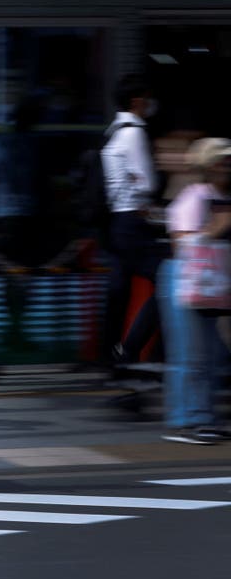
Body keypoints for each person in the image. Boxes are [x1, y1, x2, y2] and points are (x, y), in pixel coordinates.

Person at [158, 137, 231, 445]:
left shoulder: (219, 196)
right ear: (210, 165)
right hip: (186, 279)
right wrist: (218, 227)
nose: (228, 165)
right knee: (192, 355)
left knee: (211, 354)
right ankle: (191, 420)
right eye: (223, 160)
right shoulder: (196, 196)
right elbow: (183, 244)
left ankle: (200, 417)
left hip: (208, 282)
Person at [102, 74, 165, 365]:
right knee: (168, 282)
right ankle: (130, 349)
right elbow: (146, 184)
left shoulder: (114, 132)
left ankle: (113, 355)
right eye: (148, 98)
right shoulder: (134, 133)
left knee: (119, 292)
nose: (151, 104)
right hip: (134, 222)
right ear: (138, 101)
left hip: (118, 222)